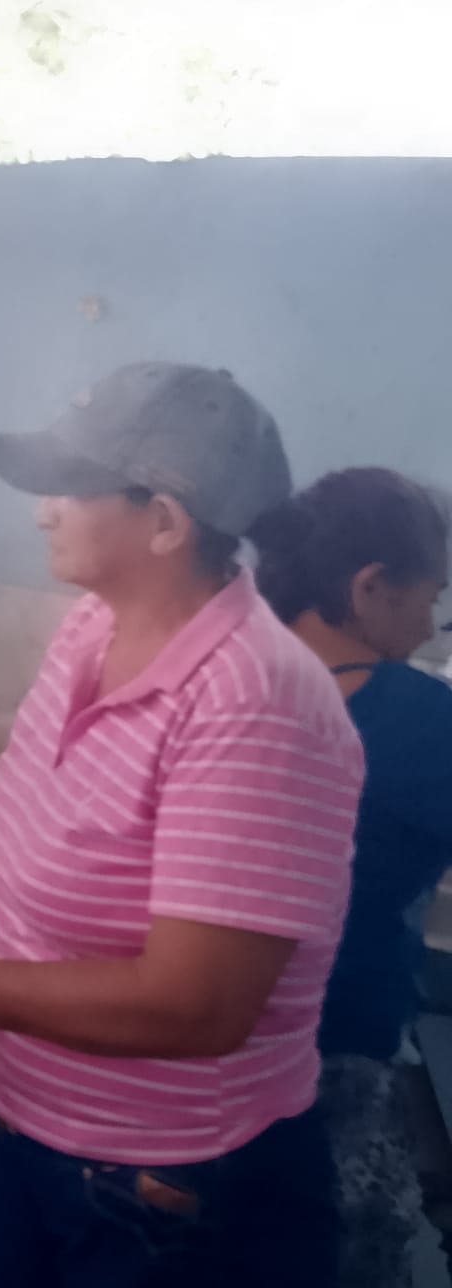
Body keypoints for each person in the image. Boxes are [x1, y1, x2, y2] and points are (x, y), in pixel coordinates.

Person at [0, 362, 362, 1288]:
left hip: (168, 1195)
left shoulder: (255, 700)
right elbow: (7, 823)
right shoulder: (93, 628)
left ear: (164, 522)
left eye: (69, 488)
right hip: (25, 1134)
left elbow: (198, 1005)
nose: (42, 513)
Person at [250, 468, 452, 1288]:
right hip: (334, 1065)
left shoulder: (228, 674)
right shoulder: (416, 714)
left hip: (192, 1071)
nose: (431, 625)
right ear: (370, 588)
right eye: (430, 598)